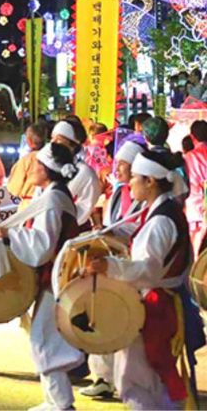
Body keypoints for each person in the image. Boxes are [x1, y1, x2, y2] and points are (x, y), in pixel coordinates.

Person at [86, 150, 204, 410]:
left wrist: (109, 265)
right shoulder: (162, 211)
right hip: (158, 303)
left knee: (137, 378)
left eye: (135, 177)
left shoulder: (162, 219)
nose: (130, 182)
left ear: (150, 181)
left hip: (154, 306)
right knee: (152, 376)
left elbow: (148, 270)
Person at [0, 142, 84, 410]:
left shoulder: (54, 199)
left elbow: (43, 245)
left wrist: (11, 234)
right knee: (45, 339)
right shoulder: (51, 194)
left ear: (46, 170)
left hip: (57, 279)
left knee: (44, 339)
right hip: (56, 276)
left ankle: (61, 403)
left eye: (36, 164)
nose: (31, 167)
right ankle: (55, 400)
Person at [80, 140, 145, 400]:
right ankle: (104, 377)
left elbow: (135, 228)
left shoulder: (142, 198)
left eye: (123, 165)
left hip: (128, 268)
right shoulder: (120, 191)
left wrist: (113, 233)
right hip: (112, 263)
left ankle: (124, 381)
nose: (116, 169)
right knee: (104, 318)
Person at [51, 120, 101, 227]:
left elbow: (86, 206)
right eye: (52, 138)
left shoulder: (85, 173)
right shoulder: (50, 167)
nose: (53, 143)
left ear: (72, 145)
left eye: (58, 140)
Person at [7, 123, 47, 211]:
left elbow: (14, 188)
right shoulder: (52, 157)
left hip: (28, 206)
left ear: (29, 140)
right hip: (48, 204)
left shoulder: (26, 160)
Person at [184, 120, 207, 253]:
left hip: (196, 212)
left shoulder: (188, 158)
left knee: (196, 251)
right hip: (200, 210)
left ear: (192, 137)